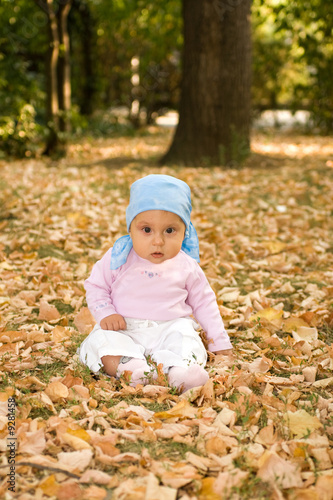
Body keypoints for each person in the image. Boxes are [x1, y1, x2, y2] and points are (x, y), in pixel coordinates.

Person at [78, 174, 232, 392]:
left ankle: (181, 371)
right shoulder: (119, 257)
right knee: (102, 340)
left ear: (184, 232)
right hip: (124, 327)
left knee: (186, 338)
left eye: (170, 231)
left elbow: (204, 303)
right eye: (147, 230)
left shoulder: (187, 265)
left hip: (170, 326)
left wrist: (220, 343)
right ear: (130, 229)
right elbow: (96, 286)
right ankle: (131, 369)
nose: (158, 241)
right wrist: (106, 313)